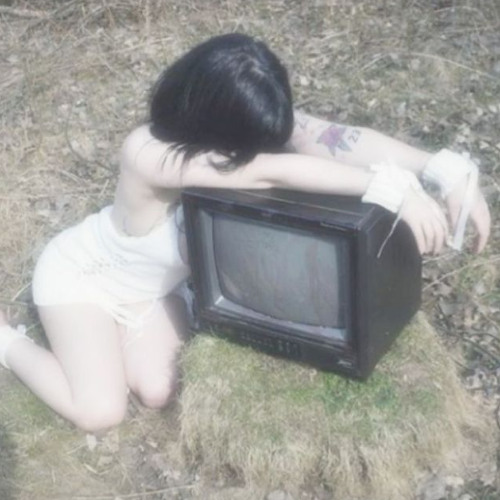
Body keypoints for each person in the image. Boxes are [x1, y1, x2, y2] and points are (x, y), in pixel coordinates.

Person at [0, 33, 491, 432]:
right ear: (212, 116)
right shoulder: (145, 152)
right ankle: (6, 341)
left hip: (151, 292)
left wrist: (441, 167)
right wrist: (389, 188)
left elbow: (332, 138)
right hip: (83, 279)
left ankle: (112, 338)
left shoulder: (228, 125)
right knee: (100, 413)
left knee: (157, 391)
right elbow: (271, 170)